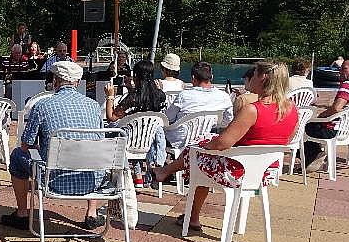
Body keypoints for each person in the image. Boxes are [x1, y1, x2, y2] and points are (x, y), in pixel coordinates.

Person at [153, 60, 298, 232]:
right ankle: (171, 180)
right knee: (200, 153)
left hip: (238, 172)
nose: (251, 77)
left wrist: (204, 146)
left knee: (197, 154)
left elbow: (223, 143)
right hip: (265, 172)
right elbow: (286, 140)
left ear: (263, 78)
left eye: (254, 73)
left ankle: (186, 206)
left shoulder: (252, 110)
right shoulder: (291, 109)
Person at [0, 61, 106, 230]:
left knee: (17, 155)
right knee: (91, 152)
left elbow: (26, 144)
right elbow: (99, 142)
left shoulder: (42, 106)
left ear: (55, 81)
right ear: (78, 82)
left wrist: (41, 147)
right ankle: (92, 213)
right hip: (92, 181)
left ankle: (22, 213)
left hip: (54, 180)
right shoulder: (94, 106)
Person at [303, 57, 349, 171]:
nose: (340, 71)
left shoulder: (347, 86)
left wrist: (321, 116)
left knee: (308, 126)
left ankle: (313, 156)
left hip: (336, 129)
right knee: (314, 126)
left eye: (344, 69)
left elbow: (336, 108)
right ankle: (313, 155)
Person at [105, 60, 168, 176]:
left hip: (129, 142)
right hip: (149, 142)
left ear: (136, 76)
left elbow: (111, 117)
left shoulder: (133, 98)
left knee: (112, 130)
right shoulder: (160, 95)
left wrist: (110, 96)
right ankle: (138, 174)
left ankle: (131, 174)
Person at [163, 62, 234, 148]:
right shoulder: (224, 96)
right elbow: (228, 120)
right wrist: (212, 124)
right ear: (212, 77)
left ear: (193, 78)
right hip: (206, 138)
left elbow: (168, 118)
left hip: (179, 140)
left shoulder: (184, 96)